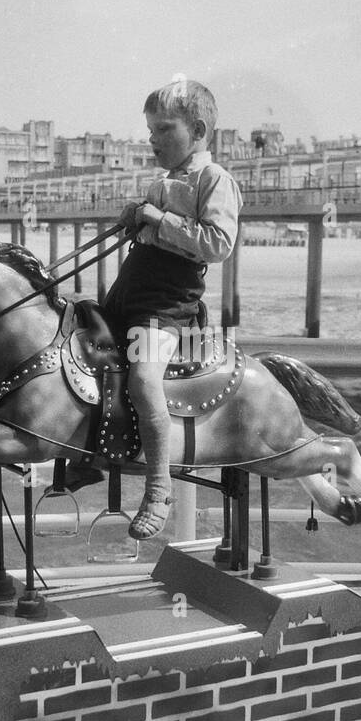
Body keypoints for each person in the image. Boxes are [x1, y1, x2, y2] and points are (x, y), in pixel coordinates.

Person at [101, 79, 241, 539]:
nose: (152, 139)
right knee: (79, 354)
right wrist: (135, 216)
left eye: (163, 129)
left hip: (166, 303)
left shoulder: (214, 180)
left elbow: (217, 244)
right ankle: (82, 462)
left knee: (142, 379)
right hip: (129, 291)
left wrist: (157, 218)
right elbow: (152, 231)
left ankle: (158, 489)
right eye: (150, 130)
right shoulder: (162, 181)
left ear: (198, 128)